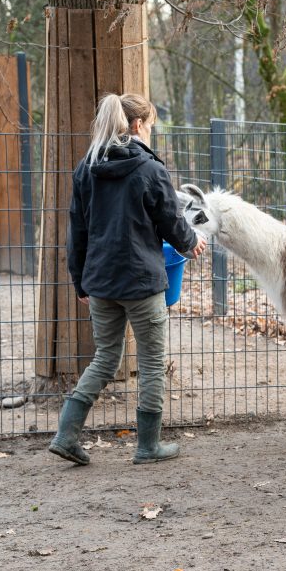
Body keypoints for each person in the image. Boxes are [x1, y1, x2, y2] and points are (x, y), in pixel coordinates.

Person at [48, 93, 207, 466]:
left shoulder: (86, 167)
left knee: (104, 358)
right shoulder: (151, 170)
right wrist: (191, 242)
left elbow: (77, 231)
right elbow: (171, 220)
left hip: (100, 282)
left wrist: (80, 281)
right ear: (137, 126)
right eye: (150, 125)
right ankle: (148, 446)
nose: (150, 132)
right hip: (141, 282)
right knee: (152, 363)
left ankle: (66, 435)